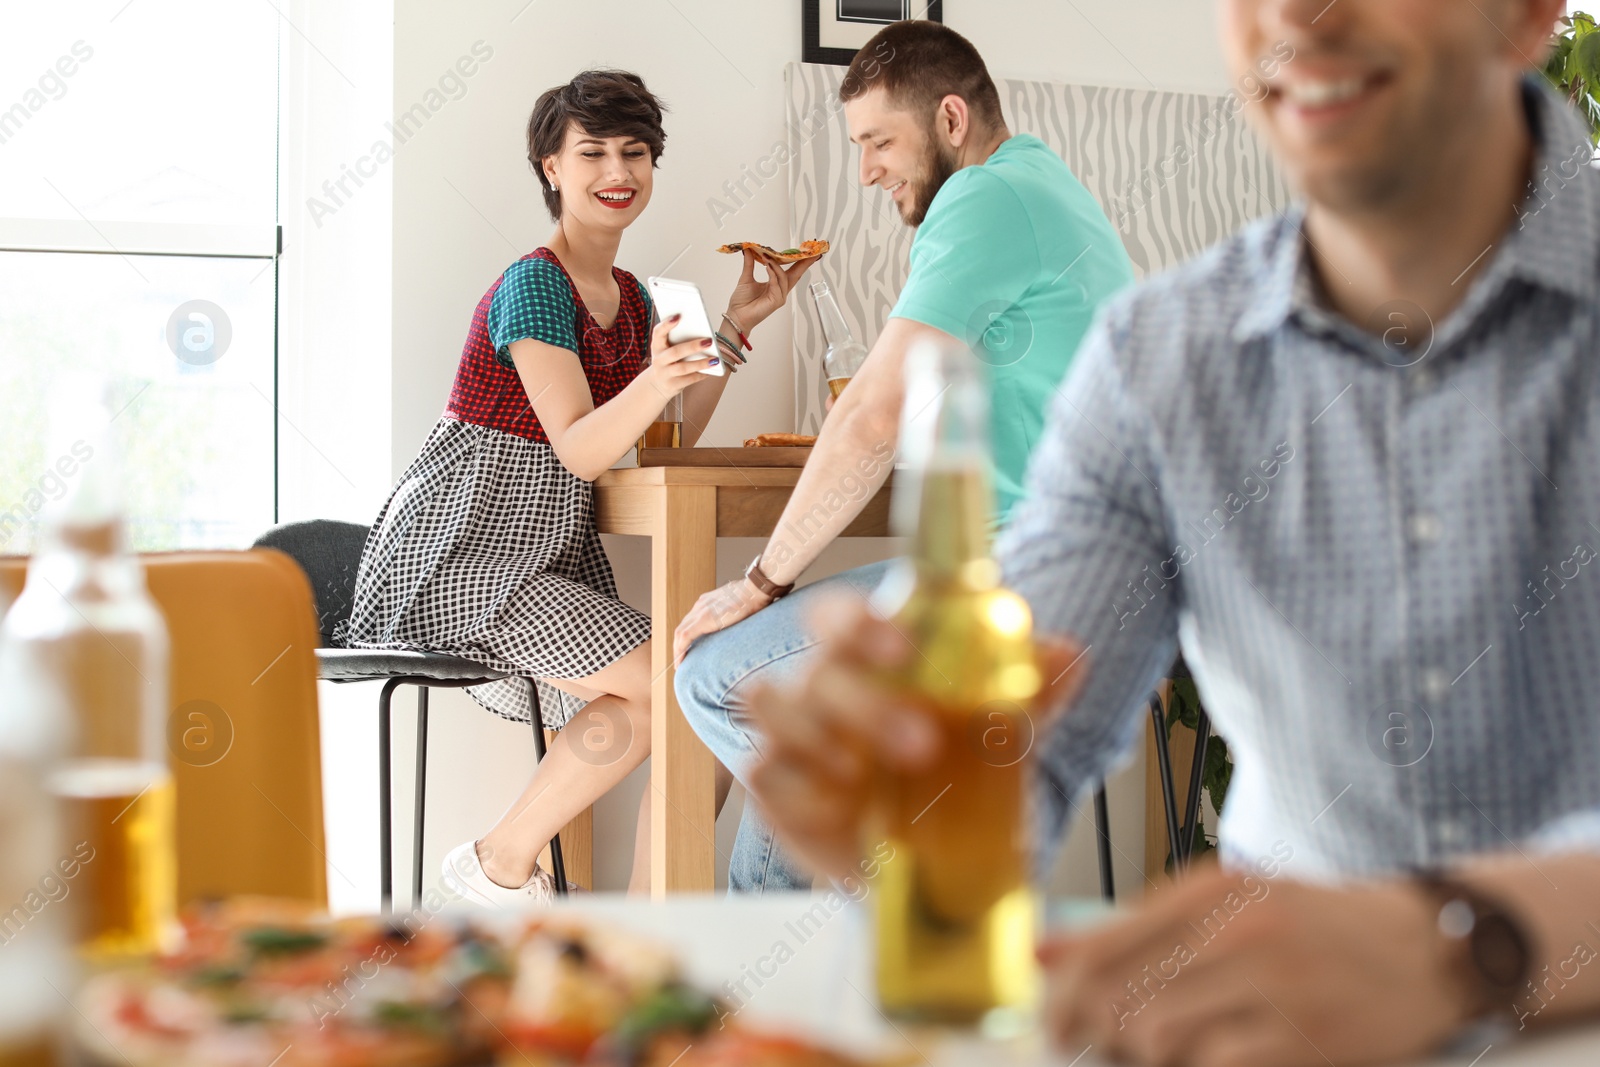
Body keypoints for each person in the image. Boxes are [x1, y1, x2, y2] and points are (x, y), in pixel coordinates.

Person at [744, 0, 1600, 1062]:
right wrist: (917, 805)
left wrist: (1465, 945)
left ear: (1526, 15)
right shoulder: (1156, 360)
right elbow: (1019, 749)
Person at [671, 20, 1135, 892]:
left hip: (1021, 581)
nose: (866, 170)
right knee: (817, 717)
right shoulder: (1044, 185)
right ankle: (813, 947)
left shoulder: (985, 198)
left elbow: (873, 418)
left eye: (879, 141)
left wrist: (760, 582)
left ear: (951, 118)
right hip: (1074, 572)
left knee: (711, 675)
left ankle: (893, 884)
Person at [339, 69, 813, 904]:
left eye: (634, 151)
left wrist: (735, 326)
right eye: (591, 151)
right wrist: (658, 380)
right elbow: (583, 450)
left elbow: (666, 438)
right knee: (694, 675)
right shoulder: (534, 284)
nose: (616, 169)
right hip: (460, 551)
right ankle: (565, 889)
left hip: (537, 554)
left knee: (699, 683)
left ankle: (520, 872)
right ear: (551, 168)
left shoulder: (632, 299)